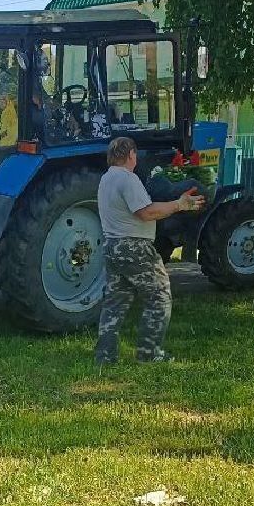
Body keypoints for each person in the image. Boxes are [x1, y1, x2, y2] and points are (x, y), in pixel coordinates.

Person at [94, 136, 204, 366]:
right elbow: (146, 212)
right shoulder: (128, 179)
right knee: (159, 296)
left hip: (112, 246)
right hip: (135, 247)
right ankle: (149, 353)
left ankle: (105, 356)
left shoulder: (106, 179)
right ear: (131, 154)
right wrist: (180, 204)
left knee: (114, 303)